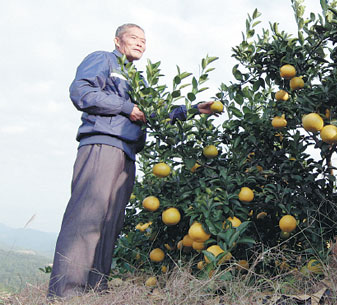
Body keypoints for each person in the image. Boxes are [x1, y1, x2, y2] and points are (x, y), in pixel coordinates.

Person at [48, 23, 214, 299]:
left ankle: (94, 290)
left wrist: (194, 109)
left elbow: (156, 112)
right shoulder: (103, 59)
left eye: (144, 40)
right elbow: (82, 92)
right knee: (87, 216)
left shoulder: (138, 80)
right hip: (102, 144)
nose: (140, 43)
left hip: (126, 152)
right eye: (134, 38)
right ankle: (66, 293)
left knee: (110, 221)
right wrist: (126, 106)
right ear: (117, 40)